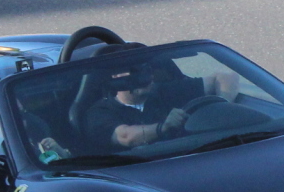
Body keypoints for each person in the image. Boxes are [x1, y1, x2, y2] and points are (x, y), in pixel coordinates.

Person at [84, 61, 237, 150]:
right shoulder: (99, 113)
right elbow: (125, 136)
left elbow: (226, 77)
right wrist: (163, 127)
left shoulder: (165, 91)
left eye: (146, 71)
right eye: (134, 72)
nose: (147, 78)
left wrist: (223, 106)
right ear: (116, 78)